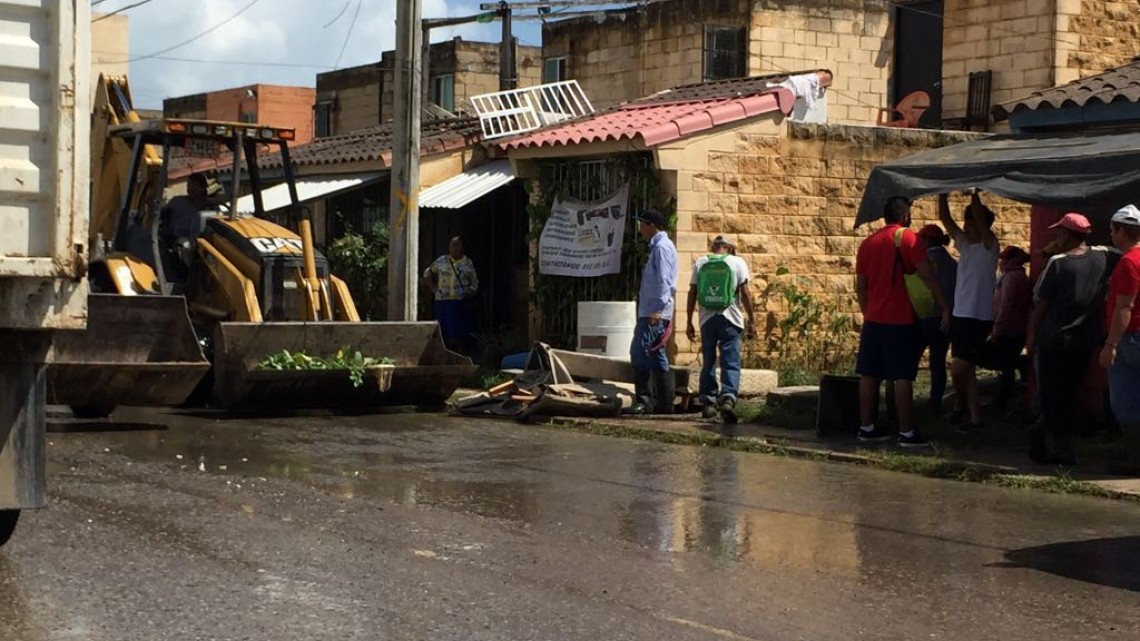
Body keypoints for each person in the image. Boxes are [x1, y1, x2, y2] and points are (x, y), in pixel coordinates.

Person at [855, 196, 951, 447]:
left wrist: (867, 311)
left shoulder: (867, 243)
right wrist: (944, 307)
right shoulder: (908, 238)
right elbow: (928, 277)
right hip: (899, 319)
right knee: (902, 376)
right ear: (905, 216)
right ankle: (906, 432)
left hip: (873, 319)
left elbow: (861, 285)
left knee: (869, 373)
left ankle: (866, 427)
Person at [1027, 213, 1110, 465]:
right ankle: (1055, 442)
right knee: (1071, 392)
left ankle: (1053, 444)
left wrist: (1030, 336)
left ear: (1067, 234)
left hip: (1054, 340)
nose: (1056, 235)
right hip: (1084, 341)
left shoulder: (1058, 263)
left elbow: (1041, 304)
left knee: (1052, 394)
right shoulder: (1103, 257)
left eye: (1059, 232)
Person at [938, 191, 999, 433]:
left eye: (973, 225)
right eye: (967, 225)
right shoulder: (964, 245)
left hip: (979, 317)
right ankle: (975, 420)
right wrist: (943, 193)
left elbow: (981, 221)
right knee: (968, 370)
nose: (969, 229)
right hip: (960, 315)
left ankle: (958, 404)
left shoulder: (989, 246)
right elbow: (945, 219)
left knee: (958, 367)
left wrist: (974, 193)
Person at [685, 234, 755, 424]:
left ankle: (708, 402)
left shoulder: (701, 262)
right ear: (730, 248)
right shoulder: (737, 262)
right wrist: (752, 320)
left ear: (714, 247)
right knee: (730, 361)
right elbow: (745, 293)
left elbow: (692, 292)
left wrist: (689, 321)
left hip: (707, 320)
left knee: (708, 361)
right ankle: (728, 399)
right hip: (731, 319)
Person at [1099, 204, 1140, 474]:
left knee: (1125, 400)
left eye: (1113, 231)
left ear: (1122, 231)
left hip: (1130, 338)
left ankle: (1135, 459)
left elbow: (1124, 307)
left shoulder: (1128, 263)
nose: (1112, 235)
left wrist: (1110, 344)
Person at [630, 209, 678, 415]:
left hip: (654, 311)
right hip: (652, 310)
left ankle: (644, 400)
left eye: (642, 224)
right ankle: (665, 403)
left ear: (651, 225)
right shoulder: (658, 246)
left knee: (639, 351)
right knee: (657, 353)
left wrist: (658, 309)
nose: (640, 229)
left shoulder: (662, 247)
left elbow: (665, 280)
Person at [916, 224, 957, 414]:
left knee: (911, 359)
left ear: (926, 240)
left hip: (925, 316)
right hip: (946, 319)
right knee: (938, 362)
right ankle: (935, 403)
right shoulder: (953, 263)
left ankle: (903, 400)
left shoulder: (925, 260)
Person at [987, 246, 1032, 410]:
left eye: (1004, 259)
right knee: (1006, 364)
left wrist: (996, 328)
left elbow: (1007, 305)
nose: (1001, 263)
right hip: (1016, 328)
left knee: (1005, 366)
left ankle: (1000, 402)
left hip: (1008, 329)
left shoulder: (1011, 278)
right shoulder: (1018, 276)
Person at [422, 236, 479, 352]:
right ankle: (443, 354)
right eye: (452, 245)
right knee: (443, 331)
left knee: (459, 332)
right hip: (442, 302)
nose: (454, 248)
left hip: (459, 302)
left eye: (457, 246)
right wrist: (433, 288)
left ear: (462, 248)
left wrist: (469, 292)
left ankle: (460, 354)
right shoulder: (442, 260)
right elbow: (427, 273)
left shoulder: (467, 263)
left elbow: (474, 283)